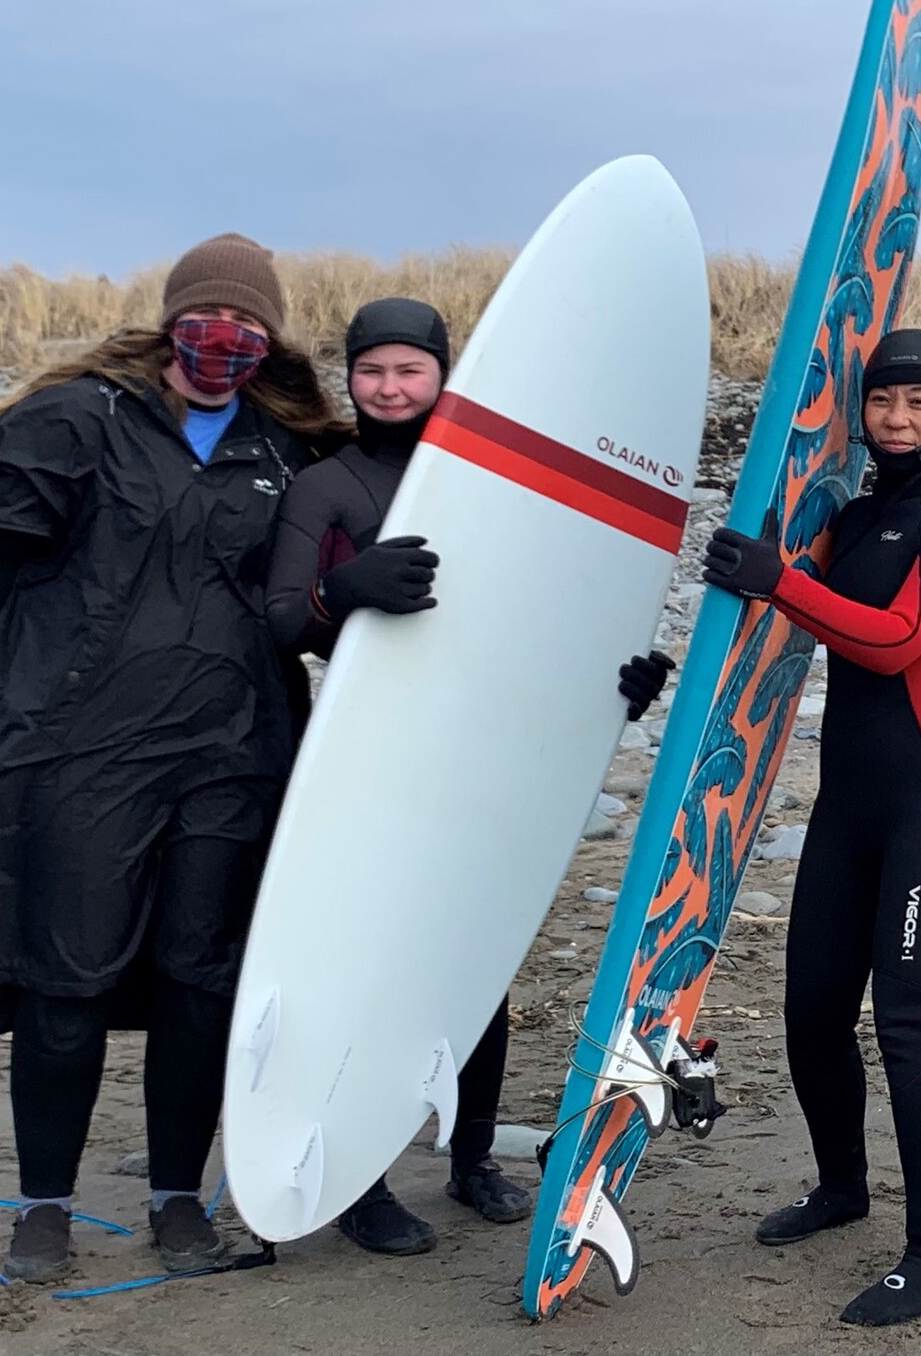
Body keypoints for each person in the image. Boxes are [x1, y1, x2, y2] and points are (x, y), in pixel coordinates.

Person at [0, 234, 347, 1282]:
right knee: (69, 977)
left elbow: (320, 588)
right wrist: (34, 697)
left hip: (232, 749)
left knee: (201, 974)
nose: (220, 348)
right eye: (202, 328)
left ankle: (177, 1200)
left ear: (267, 341)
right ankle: (44, 1205)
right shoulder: (76, 420)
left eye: (244, 333)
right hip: (83, 752)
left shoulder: (287, 452)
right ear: (172, 325)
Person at [263, 296, 673, 1254]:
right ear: (350, 377)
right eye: (373, 371)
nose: (391, 387)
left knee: (475, 965)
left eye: (411, 369)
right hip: (368, 767)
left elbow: (547, 613)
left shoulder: (504, 482)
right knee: (367, 971)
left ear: (447, 374)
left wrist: (619, 680)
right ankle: (359, 1178)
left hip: (481, 758)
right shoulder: (327, 489)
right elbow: (282, 619)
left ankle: (472, 1157)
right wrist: (340, 593)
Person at [701, 328, 921, 1327]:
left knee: (911, 1025)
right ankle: (840, 1188)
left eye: (920, 402)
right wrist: (765, 560)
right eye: (883, 402)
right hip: (848, 803)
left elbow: (895, 642)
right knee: (812, 1009)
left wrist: (778, 580)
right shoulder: (857, 514)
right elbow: (791, 606)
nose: (899, 418)